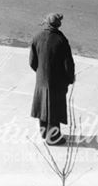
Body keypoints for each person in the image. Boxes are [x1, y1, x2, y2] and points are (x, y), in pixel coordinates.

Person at [29, 12, 75, 145]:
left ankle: (44, 132)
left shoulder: (37, 37)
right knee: (53, 108)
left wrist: (41, 73)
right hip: (56, 81)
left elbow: (32, 62)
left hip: (41, 79)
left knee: (42, 105)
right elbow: (68, 64)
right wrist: (69, 79)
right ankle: (53, 138)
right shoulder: (61, 40)